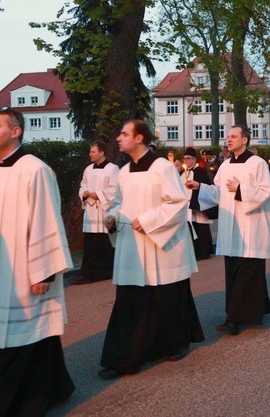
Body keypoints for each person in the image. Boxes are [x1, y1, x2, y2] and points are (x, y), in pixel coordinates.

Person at [0, 108, 74, 415]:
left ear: (16, 132)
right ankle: (56, 386)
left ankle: (1, 403)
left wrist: (44, 272)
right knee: (32, 337)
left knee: (21, 337)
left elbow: (46, 220)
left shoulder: (35, 170)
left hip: (26, 273)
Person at [99, 120, 204, 379]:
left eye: (124, 134)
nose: (119, 138)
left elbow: (178, 203)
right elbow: (118, 203)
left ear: (140, 138)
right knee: (130, 300)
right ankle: (123, 357)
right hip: (132, 246)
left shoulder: (162, 168)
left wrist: (149, 221)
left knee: (166, 297)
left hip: (162, 245)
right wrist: (111, 217)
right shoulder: (123, 172)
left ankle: (175, 343)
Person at [190, 125, 270, 336]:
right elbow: (218, 192)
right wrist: (199, 187)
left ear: (245, 140)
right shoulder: (226, 165)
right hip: (231, 226)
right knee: (235, 272)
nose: (228, 140)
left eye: (233, 136)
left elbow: (266, 192)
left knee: (246, 273)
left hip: (251, 227)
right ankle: (259, 307)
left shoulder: (258, 163)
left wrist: (240, 189)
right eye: (227, 137)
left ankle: (234, 319)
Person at [71, 140, 118, 285]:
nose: (90, 154)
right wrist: (84, 193)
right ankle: (87, 274)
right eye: (90, 151)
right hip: (91, 211)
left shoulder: (113, 169)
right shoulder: (88, 169)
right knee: (90, 243)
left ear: (102, 153)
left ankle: (105, 272)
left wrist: (99, 194)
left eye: (93, 152)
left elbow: (115, 189)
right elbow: (82, 185)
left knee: (104, 243)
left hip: (105, 211)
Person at [182, 147, 215, 261]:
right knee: (191, 228)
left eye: (188, 158)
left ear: (194, 159)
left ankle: (205, 251)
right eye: (184, 159)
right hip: (187, 206)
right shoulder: (183, 173)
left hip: (198, 205)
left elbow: (206, 186)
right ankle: (195, 251)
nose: (185, 161)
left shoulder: (200, 171)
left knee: (201, 228)